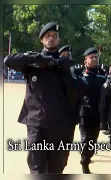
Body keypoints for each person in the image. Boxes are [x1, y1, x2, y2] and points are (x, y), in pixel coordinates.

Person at [4, 22, 78, 174]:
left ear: (59, 40)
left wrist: (63, 67)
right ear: (42, 40)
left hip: (60, 125)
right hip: (37, 124)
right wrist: (38, 58)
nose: (51, 39)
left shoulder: (66, 63)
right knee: (37, 168)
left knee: (56, 167)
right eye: (48, 36)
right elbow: (9, 60)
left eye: (54, 36)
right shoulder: (33, 61)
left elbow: (75, 92)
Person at [75, 47, 106, 174]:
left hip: (97, 113)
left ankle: (88, 156)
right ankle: (84, 162)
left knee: (93, 140)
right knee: (85, 139)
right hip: (84, 113)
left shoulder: (102, 75)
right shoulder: (80, 75)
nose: (94, 59)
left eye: (96, 57)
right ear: (85, 60)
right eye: (91, 57)